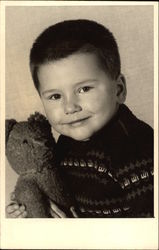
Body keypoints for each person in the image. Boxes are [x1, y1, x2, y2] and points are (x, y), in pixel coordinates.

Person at [6, 19, 153, 218]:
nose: (70, 107)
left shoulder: (136, 151)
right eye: (55, 96)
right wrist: (29, 208)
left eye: (84, 89)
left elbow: (149, 234)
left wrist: (78, 233)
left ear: (119, 90)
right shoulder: (66, 143)